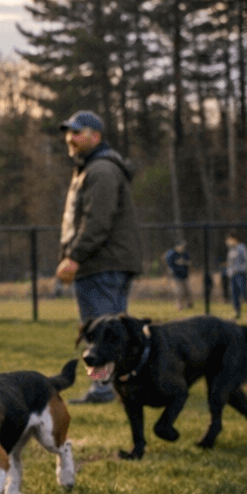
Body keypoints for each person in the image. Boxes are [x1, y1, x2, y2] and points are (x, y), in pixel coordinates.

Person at [54, 110, 140, 404]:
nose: (71, 138)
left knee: (101, 332)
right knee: (115, 331)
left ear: (96, 136)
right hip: (106, 262)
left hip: (103, 263)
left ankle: (103, 389)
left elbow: (97, 221)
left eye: (78, 132)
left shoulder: (101, 170)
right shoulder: (92, 168)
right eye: (69, 132)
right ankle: (119, 385)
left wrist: (74, 256)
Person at [221, 232, 247, 320]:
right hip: (232, 275)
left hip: (240, 274)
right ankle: (237, 313)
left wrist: (241, 269)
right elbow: (230, 262)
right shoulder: (231, 250)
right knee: (234, 294)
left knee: (243, 291)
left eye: (229, 240)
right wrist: (228, 269)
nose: (228, 242)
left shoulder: (241, 247)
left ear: (234, 239)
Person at [163, 240, 193, 310]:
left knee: (187, 290)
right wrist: (178, 263)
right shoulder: (171, 253)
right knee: (179, 291)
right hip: (175, 275)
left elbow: (189, 262)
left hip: (184, 274)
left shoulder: (185, 253)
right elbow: (169, 264)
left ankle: (189, 304)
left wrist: (185, 263)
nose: (183, 247)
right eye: (181, 245)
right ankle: (179, 306)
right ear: (177, 246)